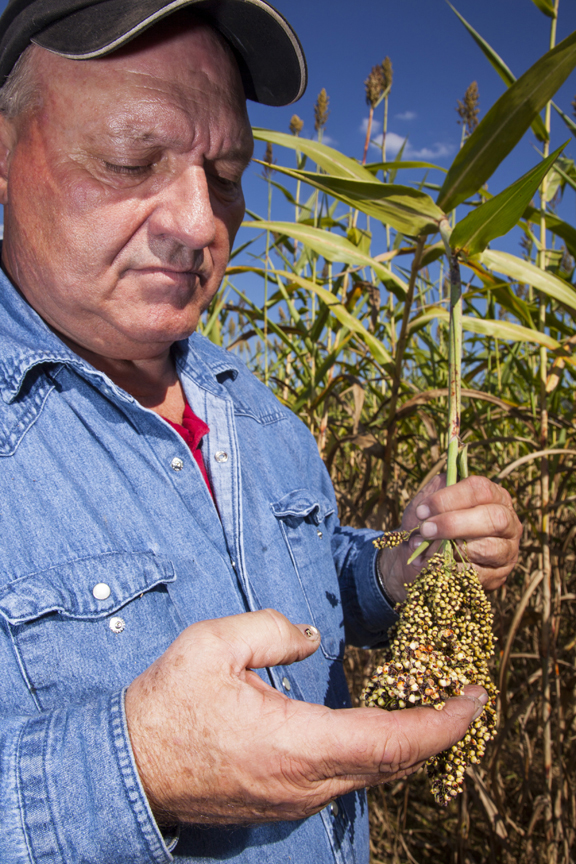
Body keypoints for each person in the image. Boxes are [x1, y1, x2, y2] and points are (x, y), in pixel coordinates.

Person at [0, 1, 521, 862]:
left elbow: (311, 580)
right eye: (134, 160)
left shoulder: (257, 410)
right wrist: (139, 765)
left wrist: (396, 569)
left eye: (230, 174)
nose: (201, 223)